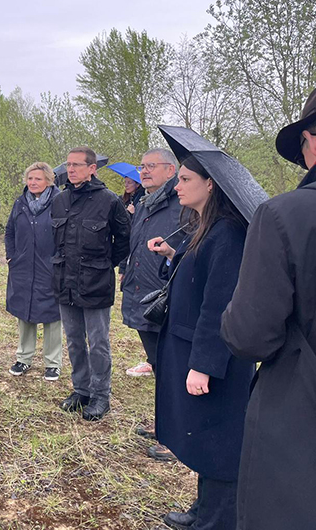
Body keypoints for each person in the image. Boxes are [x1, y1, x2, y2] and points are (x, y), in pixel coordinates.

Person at [220, 87, 316, 530]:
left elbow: (249, 335)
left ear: (309, 140)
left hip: (300, 417)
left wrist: (229, 311)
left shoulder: (284, 215)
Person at [147, 156, 254, 530]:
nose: (177, 186)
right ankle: (203, 509)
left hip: (214, 357)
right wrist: (173, 255)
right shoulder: (206, 228)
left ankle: (217, 520)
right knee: (205, 437)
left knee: (221, 443)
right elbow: (199, 277)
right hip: (193, 348)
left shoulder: (227, 232)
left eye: (186, 179)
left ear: (211, 185)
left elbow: (220, 304)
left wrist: (205, 364)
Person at [51, 146, 130, 421]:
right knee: (73, 341)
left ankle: (100, 395)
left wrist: (104, 264)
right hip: (65, 282)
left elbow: (124, 240)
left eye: (77, 165)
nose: (70, 169)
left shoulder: (108, 200)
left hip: (95, 283)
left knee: (98, 342)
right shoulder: (60, 200)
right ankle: (81, 390)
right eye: (68, 165)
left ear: (92, 168)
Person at [119, 149, 183, 462]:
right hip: (140, 294)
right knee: (159, 365)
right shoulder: (144, 202)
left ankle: (177, 436)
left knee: (172, 368)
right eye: (141, 166)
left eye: (150, 166)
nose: (143, 172)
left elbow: (190, 247)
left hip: (166, 296)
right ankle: (164, 424)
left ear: (170, 170)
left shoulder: (182, 203)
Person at [5, 162, 63, 381]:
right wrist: (12, 255)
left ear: (48, 180)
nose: (32, 183)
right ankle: (24, 358)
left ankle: (53, 363)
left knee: (52, 315)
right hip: (22, 267)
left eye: (38, 179)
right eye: (30, 179)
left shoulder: (60, 202)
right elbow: (9, 231)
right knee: (25, 312)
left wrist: (59, 260)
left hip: (50, 266)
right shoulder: (20, 203)